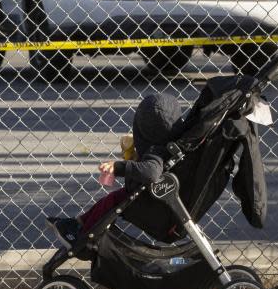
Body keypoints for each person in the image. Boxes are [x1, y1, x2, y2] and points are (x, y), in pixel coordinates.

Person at [45, 94, 185, 246]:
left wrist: (118, 167)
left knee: (111, 202)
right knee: (109, 201)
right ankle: (78, 222)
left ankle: (84, 235)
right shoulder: (171, 142)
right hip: (154, 196)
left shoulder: (155, 150)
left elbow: (151, 172)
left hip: (151, 202)